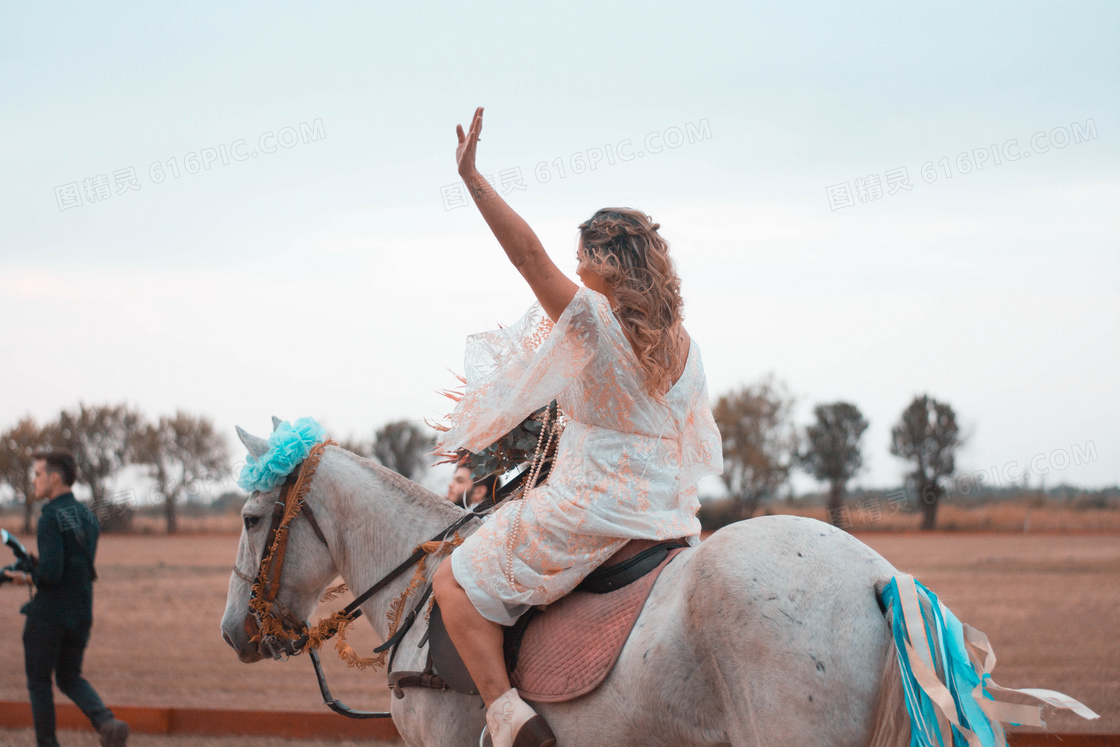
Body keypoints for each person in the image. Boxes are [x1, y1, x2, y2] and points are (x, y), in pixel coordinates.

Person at [431, 107, 723, 747]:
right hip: (671, 519)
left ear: (600, 264)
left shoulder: (593, 320)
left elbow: (526, 255)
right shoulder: (687, 345)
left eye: (579, 260)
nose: (571, 271)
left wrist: (473, 180)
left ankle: (508, 720)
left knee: (450, 580)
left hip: (592, 510)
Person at [2, 451, 129, 747]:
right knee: (70, 677)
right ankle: (107, 722)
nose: (33, 480)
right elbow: (73, 565)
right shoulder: (88, 516)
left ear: (55, 477)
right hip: (81, 612)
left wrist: (19, 576)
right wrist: (38, 563)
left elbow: (50, 575)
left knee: (39, 683)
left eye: (37, 474)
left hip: (48, 616)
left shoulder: (49, 518)